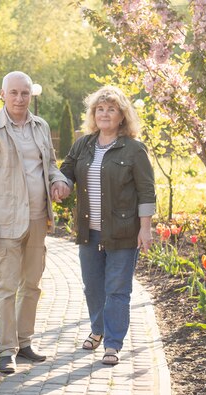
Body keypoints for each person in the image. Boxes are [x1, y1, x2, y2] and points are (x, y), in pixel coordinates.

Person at [0, 71, 70, 374]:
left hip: (38, 218)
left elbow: (50, 165)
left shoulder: (40, 126)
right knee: (6, 286)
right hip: (5, 222)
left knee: (32, 285)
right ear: (2, 94)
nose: (19, 98)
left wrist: (59, 181)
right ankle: (5, 351)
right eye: (13, 93)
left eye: (24, 93)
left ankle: (25, 343)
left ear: (30, 95)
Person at [59, 85, 156, 365]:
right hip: (89, 231)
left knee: (117, 289)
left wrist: (145, 227)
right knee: (92, 286)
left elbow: (147, 191)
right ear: (93, 114)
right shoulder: (83, 145)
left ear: (122, 115)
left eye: (111, 109)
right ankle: (98, 330)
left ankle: (112, 344)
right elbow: (66, 172)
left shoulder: (134, 149)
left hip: (123, 232)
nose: (104, 114)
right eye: (99, 109)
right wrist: (60, 184)